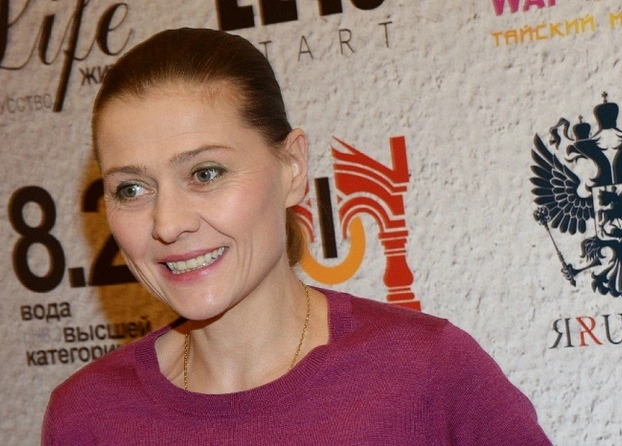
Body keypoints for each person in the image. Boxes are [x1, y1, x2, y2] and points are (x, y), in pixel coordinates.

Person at [42, 28, 552, 445]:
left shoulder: (426, 372)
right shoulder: (87, 417)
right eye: (131, 188)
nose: (168, 223)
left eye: (206, 173)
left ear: (292, 167)